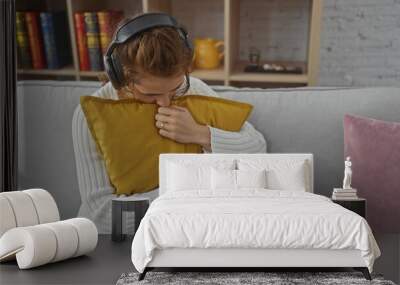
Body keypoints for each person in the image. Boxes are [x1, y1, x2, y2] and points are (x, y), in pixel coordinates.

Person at [72, 13, 266, 233]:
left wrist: (200, 134)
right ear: (120, 77)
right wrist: (186, 197)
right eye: (150, 94)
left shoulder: (193, 89)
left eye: (175, 90)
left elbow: (257, 146)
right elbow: (101, 214)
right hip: (119, 240)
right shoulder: (89, 114)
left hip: (185, 228)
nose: (165, 102)